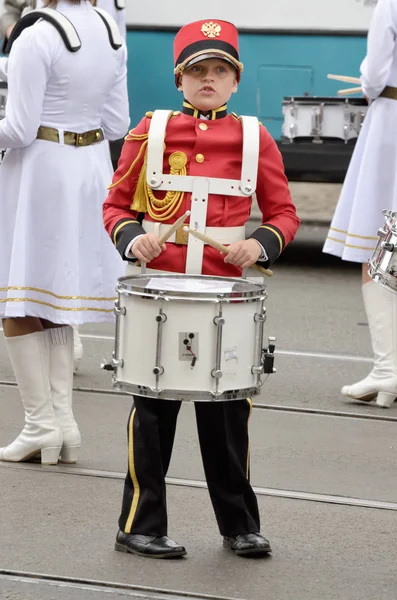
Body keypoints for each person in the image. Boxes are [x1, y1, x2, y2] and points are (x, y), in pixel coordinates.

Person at [103, 19, 299, 559]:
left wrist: (258, 246)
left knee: (228, 417)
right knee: (152, 414)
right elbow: (116, 206)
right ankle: (139, 526)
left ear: (234, 81)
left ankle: (238, 525)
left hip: (224, 298)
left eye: (219, 71)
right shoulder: (150, 131)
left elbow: (283, 213)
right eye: (197, 71)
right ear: (179, 80)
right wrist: (134, 238)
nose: (207, 80)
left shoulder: (254, 137)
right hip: (160, 289)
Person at [0, 0, 129, 465]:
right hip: (91, 167)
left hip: (42, 169)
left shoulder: (34, 34)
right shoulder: (110, 29)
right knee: (57, 296)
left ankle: (40, 426)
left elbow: (17, 128)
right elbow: (117, 123)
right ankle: (62, 424)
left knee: (17, 300)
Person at [323, 0, 397, 408]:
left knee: (379, 246)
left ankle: (388, 370)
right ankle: (389, 376)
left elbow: (372, 75)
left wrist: (374, 90)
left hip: (392, 123)